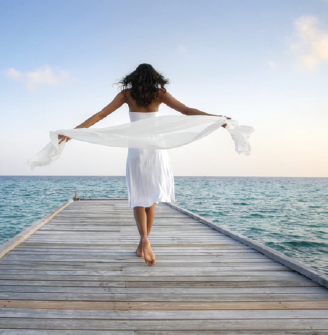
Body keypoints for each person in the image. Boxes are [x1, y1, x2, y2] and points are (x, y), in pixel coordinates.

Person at [58, 64, 230, 266]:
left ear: (134, 77)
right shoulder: (160, 94)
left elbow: (101, 115)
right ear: (154, 77)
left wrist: (73, 132)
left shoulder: (127, 95)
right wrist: (218, 119)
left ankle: (144, 241)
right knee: (151, 199)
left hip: (137, 150)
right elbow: (186, 110)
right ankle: (144, 241)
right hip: (157, 150)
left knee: (139, 197)